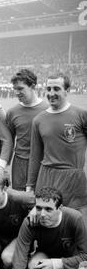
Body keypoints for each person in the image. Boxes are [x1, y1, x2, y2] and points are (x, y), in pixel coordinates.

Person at [26, 73, 87, 210]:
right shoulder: (38, 120)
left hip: (73, 180)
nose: (51, 93)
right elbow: (35, 156)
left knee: (72, 222)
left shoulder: (81, 115)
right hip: (46, 178)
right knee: (46, 222)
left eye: (56, 89)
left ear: (67, 91)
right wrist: (30, 186)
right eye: (48, 89)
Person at [11, 187, 87, 269]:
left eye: (48, 209)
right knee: (33, 267)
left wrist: (57, 264)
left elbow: (85, 255)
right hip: (46, 256)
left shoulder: (75, 218)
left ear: (60, 208)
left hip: (72, 259)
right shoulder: (30, 221)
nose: (42, 214)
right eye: (38, 208)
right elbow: (20, 255)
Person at [6, 69, 48, 190]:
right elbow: (8, 142)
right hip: (20, 163)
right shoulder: (12, 112)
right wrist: (4, 167)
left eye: (20, 88)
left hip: (42, 162)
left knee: (41, 199)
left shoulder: (48, 109)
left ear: (32, 86)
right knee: (19, 201)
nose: (17, 92)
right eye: (15, 89)